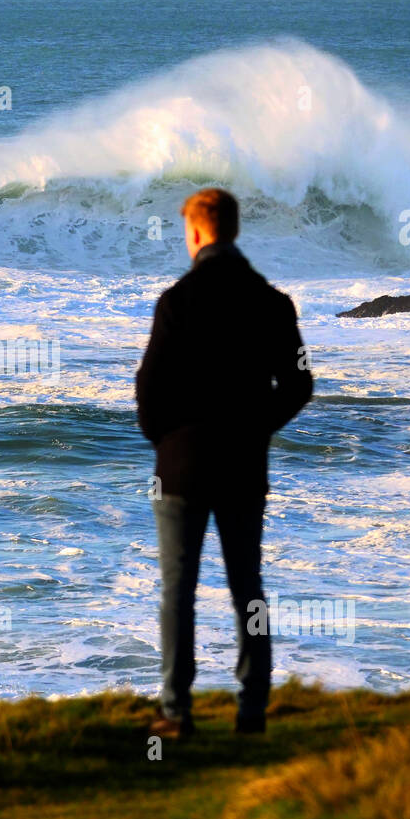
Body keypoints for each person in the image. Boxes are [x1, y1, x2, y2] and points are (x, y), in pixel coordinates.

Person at [135, 188, 313, 738]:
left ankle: (175, 711)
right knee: (247, 588)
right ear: (234, 231)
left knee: (177, 590)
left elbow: (148, 387)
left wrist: (166, 440)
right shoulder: (272, 302)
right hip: (243, 463)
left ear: (194, 234)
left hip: (182, 463)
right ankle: (252, 711)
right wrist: (257, 427)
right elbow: (301, 383)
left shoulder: (176, 300)